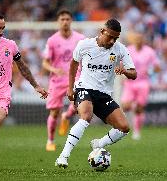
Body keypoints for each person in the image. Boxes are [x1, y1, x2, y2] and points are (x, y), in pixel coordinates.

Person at [0, 13, 48, 170]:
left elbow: (22, 66)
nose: (1, 31)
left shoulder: (10, 45)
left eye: (3, 28)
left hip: (1, 95)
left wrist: (36, 85)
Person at [55, 19, 137, 168]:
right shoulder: (84, 45)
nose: (112, 41)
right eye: (110, 36)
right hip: (84, 88)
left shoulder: (120, 49)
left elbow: (134, 73)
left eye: (116, 38)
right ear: (102, 31)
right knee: (86, 116)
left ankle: (99, 143)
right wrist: (70, 87)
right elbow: (73, 63)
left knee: (124, 127)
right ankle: (63, 156)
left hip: (104, 95)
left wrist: (124, 71)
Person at [42, 9, 85, 151]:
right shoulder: (52, 40)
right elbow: (45, 62)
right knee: (54, 112)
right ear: (58, 22)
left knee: (79, 104)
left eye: (67, 19)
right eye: (62, 19)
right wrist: (54, 70)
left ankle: (66, 115)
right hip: (57, 80)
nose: (65, 22)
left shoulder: (80, 39)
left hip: (76, 77)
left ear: (71, 21)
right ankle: (50, 141)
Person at [121, 31, 160, 140]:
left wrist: (150, 71)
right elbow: (121, 63)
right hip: (130, 82)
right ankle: (133, 106)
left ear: (143, 40)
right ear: (134, 40)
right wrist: (123, 73)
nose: (138, 40)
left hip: (143, 82)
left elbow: (157, 67)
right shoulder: (128, 49)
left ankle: (136, 131)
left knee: (139, 109)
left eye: (140, 38)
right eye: (137, 38)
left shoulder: (150, 51)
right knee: (125, 106)